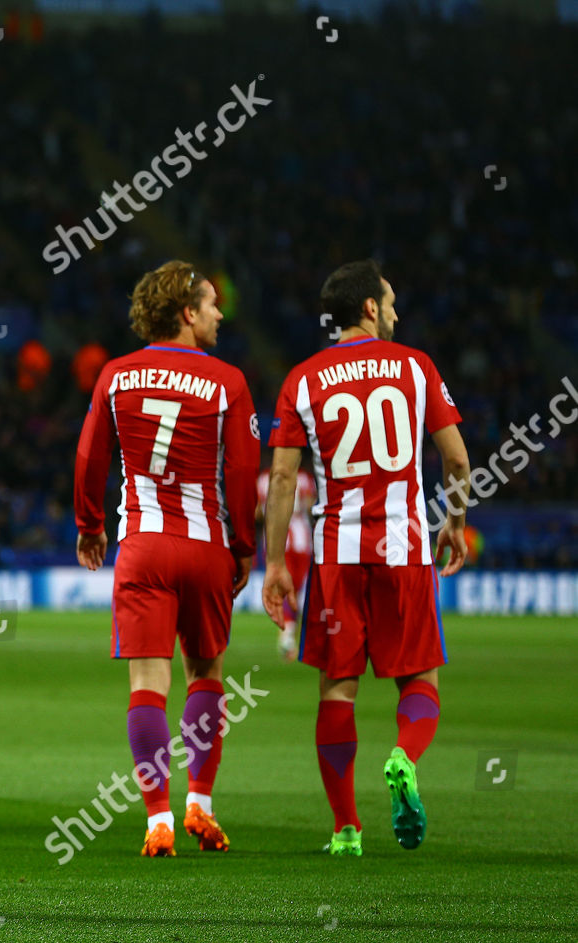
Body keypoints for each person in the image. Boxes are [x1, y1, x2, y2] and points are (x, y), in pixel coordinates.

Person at [262, 259, 470, 856]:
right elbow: (456, 462)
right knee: (419, 679)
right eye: (392, 301)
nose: (398, 312)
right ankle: (404, 756)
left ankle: (346, 829)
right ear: (371, 308)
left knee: (337, 689)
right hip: (402, 548)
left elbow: (281, 479)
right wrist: (454, 522)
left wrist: (277, 565)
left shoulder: (302, 379)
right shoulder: (415, 367)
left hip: (336, 556)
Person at [73, 261, 257, 857]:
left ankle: (158, 818)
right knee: (205, 674)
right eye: (210, 304)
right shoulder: (227, 380)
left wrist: (90, 526)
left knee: (146, 685)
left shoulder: (116, 375)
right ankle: (200, 803)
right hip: (205, 546)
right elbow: (243, 471)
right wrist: (244, 546)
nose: (218, 314)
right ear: (186, 312)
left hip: (144, 547)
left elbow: (89, 459)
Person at [256, 465, 315, 660]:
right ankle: (288, 634)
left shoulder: (265, 478)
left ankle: (288, 633)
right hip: (297, 539)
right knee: (293, 588)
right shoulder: (304, 477)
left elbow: (257, 511)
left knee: (290, 588)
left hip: (282, 540)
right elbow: (309, 505)